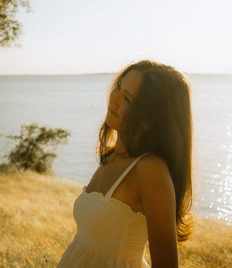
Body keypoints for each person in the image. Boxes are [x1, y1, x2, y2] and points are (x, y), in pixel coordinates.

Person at [57, 59, 193, 268]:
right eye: (118, 88)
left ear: (150, 118)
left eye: (127, 99)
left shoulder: (150, 170)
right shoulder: (113, 157)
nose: (113, 100)